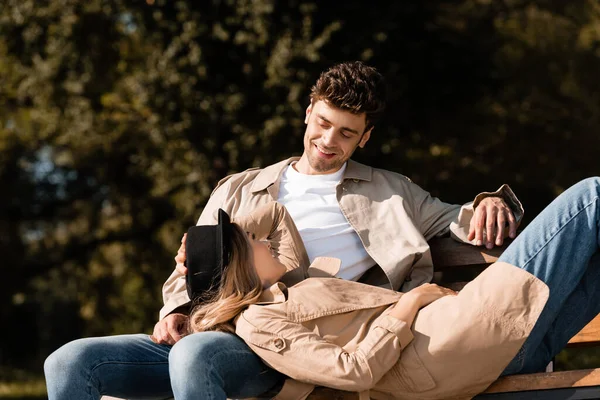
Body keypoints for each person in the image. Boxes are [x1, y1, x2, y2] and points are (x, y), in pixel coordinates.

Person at [44, 61, 521, 399]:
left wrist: (492, 201)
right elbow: (193, 261)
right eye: (323, 123)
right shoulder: (240, 189)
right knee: (68, 362)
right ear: (308, 110)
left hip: (309, 344)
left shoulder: (393, 193)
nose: (329, 142)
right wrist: (176, 308)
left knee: (195, 358)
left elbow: (462, 218)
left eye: (347, 133)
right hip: (227, 328)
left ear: (366, 136)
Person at [186, 177, 600, 400]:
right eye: (248, 242)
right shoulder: (260, 322)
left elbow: (275, 213)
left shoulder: (290, 279)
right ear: (242, 264)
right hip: (450, 342)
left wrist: (221, 235)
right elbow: (353, 370)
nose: (262, 240)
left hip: (486, 348)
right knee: (590, 196)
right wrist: (413, 301)